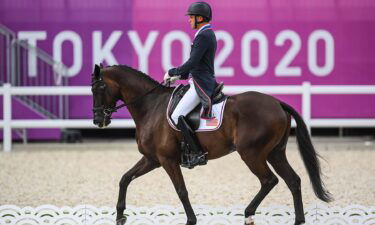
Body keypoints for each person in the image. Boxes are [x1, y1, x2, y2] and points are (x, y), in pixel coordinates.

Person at [164, 1, 217, 168]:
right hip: (198, 78)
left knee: (176, 115)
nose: (189, 20)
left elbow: (193, 61)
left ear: (200, 18)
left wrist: (172, 72)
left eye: (191, 17)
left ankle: (196, 152)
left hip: (201, 82)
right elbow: (197, 64)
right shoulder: (206, 33)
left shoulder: (204, 35)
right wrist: (180, 76)